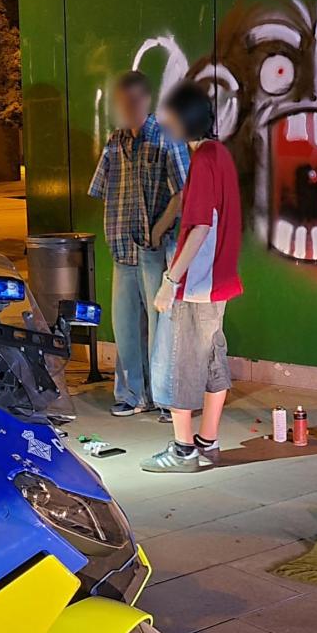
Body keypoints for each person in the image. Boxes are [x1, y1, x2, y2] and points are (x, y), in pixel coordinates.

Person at [141, 82, 243, 473]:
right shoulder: (221, 155)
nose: (163, 124)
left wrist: (170, 280)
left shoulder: (203, 161)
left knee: (180, 363)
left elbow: (199, 226)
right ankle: (208, 441)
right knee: (213, 360)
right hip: (218, 282)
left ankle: (183, 450)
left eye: (168, 117)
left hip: (196, 284)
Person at [88, 71, 190, 419]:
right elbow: (101, 188)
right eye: (121, 102)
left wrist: (159, 230)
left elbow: (183, 192)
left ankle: (165, 398)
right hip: (122, 248)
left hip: (153, 248)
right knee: (126, 327)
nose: (126, 108)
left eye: (132, 101)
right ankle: (133, 395)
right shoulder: (114, 142)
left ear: (147, 101)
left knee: (161, 329)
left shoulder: (165, 138)